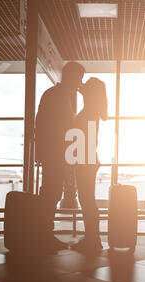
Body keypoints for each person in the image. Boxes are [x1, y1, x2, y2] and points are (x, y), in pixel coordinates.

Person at [35, 61, 85, 250]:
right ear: (71, 77)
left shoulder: (57, 95)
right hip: (54, 153)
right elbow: (42, 124)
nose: (80, 82)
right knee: (51, 193)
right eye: (79, 78)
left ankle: (45, 233)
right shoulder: (57, 96)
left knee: (51, 193)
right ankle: (44, 234)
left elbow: (40, 123)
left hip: (55, 153)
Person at [71, 77, 108, 254]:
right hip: (89, 159)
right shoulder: (93, 111)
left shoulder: (88, 112)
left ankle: (93, 239)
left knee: (87, 201)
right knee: (88, 201)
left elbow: (87, 140)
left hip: (86, 160)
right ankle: (93, 238)